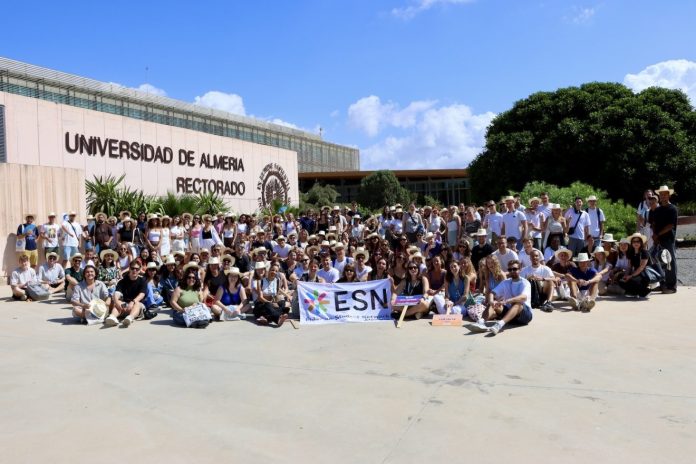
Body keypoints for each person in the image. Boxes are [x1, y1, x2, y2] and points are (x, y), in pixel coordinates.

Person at [466, 260, 532, 336]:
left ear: (520, 269)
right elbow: (492, 292)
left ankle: (499, 325)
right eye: (510, 269)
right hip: (509, 315)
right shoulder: (506, 282)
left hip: (524, 315)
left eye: (515, 269)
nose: (512, 271)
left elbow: (523, 297)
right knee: (494, 303)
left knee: (518, 304)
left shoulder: (525, 282)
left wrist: (506, 301)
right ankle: (481, 322)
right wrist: (491, 301)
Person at [105, 261, 147, 328]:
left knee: (137, 303)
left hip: (136, 305)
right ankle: (112, 317)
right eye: (133, 268)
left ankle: (130, 318)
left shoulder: (143, 281)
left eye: (137, 269)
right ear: (129, 269)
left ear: (139, 270)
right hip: (124, 306)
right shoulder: (122, 281)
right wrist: (116, 302)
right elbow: (117, 293)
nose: (134, 270)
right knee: (118, 301)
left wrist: (133, 302)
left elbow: (142, 294)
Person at [652, 185, 678, 293]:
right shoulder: (657, 209)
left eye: (665, 194)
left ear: (669, 195)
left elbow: (670, 226)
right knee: (658, 260)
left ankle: (672, 286)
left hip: (668, 239)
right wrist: (654, 235)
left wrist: (657, 234)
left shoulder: (673, 209)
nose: (662, 196)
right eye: (661, 194)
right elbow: (653, 223)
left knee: (669, 261)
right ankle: (663, 283)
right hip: (658, 239)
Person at [251, 262, 289, 327]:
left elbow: (276, 295)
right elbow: (260, 298)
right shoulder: (260, 281)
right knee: (269, 305)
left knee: (282, 302)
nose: (274, 272)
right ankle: (278, 319)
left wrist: (284, 297)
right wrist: (271, 303)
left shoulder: (277, 280)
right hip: (261, 304)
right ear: (269, 270)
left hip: (271, 305)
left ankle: (267, 318)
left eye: (276, 271)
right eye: (272, 270)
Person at [618, 233, 651, 298]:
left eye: (638, 241)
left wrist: (630, 276)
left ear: (641, 242)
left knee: (632, 280)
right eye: (634, 241)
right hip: (635, 273)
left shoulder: (644, 252)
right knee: (620, 278)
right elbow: (629, 266)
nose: (636, 243)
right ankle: (634, 292)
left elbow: (641, 267)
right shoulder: (631, 252)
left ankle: (645, 291)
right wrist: (626, 275)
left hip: (644, 275)